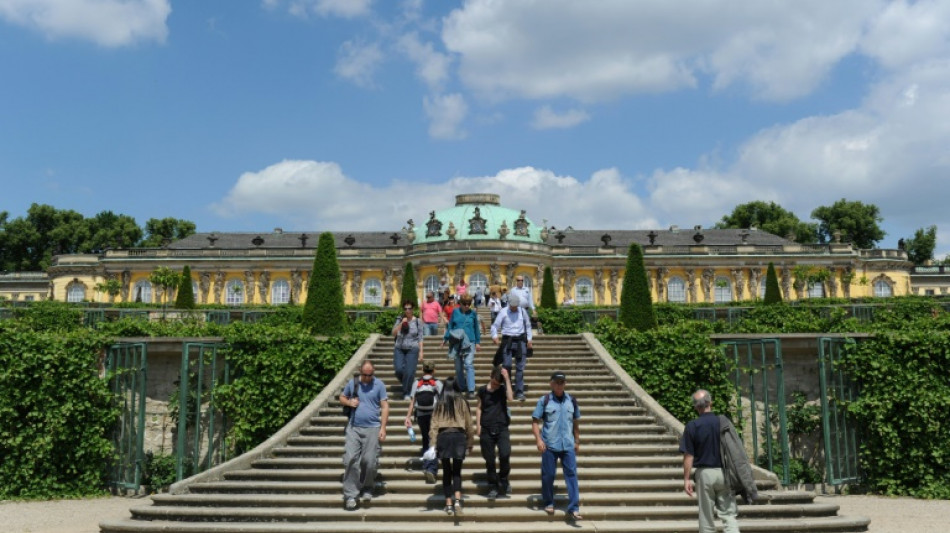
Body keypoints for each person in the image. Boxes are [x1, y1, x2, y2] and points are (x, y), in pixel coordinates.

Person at [680, 389, 740, 533]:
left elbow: (689, 455)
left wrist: (687, 478)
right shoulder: (723, 422)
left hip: (705, 474)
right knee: (729, 514)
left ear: (696, 406)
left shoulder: (692, 426)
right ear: (710, 403)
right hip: (724, 472)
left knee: (706, 517)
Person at [531, 371, 581, 521]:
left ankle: (574, 507)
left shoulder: (571, 400)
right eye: (557, 382)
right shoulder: (545, 400)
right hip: (550, 445)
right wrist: (538, 440)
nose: (559, 385)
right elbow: (535, 421)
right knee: (548, 475)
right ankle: (548, 501)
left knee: (572, 475)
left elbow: (576, 422)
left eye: (562, 382)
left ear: (565, 384)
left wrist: (577, 441)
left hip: (568, 445)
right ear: (551, 383)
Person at [339, 361, 389, 511]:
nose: (367, 378)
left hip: (373, 427)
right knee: (350, 459)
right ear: (360, 372)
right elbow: (342, 397)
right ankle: (351, 495)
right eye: (365, 375)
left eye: (370, 375)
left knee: (369, 460)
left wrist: (383, 428)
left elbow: (385, 406)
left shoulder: (379, 385)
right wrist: (349, 402)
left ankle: (367, 487)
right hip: (354, 427)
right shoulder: (353, 383)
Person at [427, 377, 475, 515]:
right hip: (459, 436)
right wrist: (470, 442)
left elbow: (434, 426)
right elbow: (469, 425)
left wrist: (432, 444)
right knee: (457, 471)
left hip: (444, 437)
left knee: (447, 471)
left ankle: (448, 503)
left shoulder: (439, 403)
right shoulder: (462, 402)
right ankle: (458, 500)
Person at [476, 365, 514, 499]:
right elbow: (479, 408)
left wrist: (507, 379)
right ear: (490, 377)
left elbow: (511, 398)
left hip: (502, 426)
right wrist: (478, 425)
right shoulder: (482, 390)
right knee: (489, 459)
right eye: (494, 383)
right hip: (486, 427)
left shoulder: (503, 389)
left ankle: (503, 478)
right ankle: (492, 486)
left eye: (498, 384)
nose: (495, 385)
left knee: (505, 453)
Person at [405, 361, 443, 483]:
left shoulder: (417, 383)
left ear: (422, 369)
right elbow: (443, 401)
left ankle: (427, 465)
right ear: (434, 370)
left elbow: (412, 401)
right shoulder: (437, 383)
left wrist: (408, 416)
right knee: (434, 440)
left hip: (421, 415)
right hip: (434, 415)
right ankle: (431, 468)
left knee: (426, 439)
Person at [490, 293, 532, 401]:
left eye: (515, 306)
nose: (514, 308)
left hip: (520, 341)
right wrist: (494, 336)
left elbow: (528, 325)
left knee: (520, 367)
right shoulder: (503, 312)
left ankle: (519, 391)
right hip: (507, 340)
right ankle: (506, 389)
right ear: (509, 304)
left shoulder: (522, 311)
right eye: (512, 306)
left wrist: (529, 340)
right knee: (506, 366)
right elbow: (495, 326)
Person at [441, 295, 480, 396]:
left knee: (468, 364)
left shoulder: (473, 313)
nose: (467, 306)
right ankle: (462, 387)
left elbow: (476, 328)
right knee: (458, 367)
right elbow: (450, 326)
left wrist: (478, 342)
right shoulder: (455, 312)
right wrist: (445, 338)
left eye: (469, 304)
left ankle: (471, 389)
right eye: (465, 304)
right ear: (460, 303)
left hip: (470, 341)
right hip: (457, 342)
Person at [392, 301, 424, 399]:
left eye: (409, 308)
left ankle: (406, 392)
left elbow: (420, 337)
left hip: (413, 349)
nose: (407, 310)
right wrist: (402, 323)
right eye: (405, 308)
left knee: (409, 371)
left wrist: (421, 352)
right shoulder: (399, 319)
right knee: (399, 370)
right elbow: (393, 333)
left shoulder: (418, 321)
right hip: (399, 348)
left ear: (413, 309)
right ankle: (409, 383)